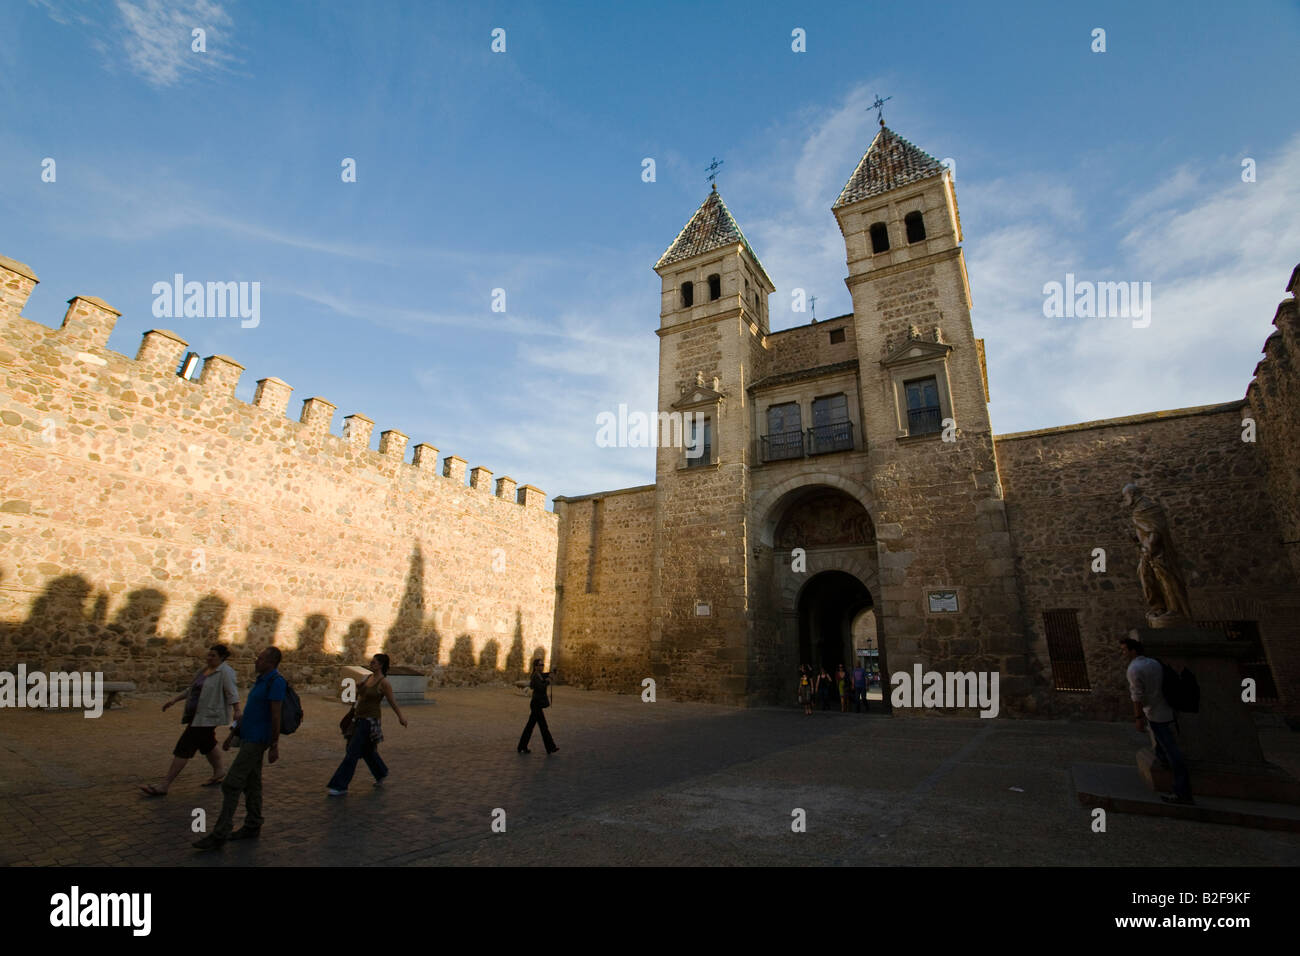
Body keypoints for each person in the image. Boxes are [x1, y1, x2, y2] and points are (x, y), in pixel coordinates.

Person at [193, 646, 285, 849]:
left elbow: (276, 716)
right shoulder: (261, 680)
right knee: (252, 784)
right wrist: (233, 734)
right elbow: (249, 713)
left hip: (258, 741)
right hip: (247, 737)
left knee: (231, 784)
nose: (255, 661)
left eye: (259, 658)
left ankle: (220, 833)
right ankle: (253, 824)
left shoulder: (276, 682)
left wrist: (274, 745)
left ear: (270, 662)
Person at [141, 644, 241, 795]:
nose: (209, 657)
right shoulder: (205, 670)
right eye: (209, 654)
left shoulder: (226, 672)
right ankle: (219, 771)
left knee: (184, 746)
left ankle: (165, 785)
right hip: (197, 714)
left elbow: (232, 693)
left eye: (213, 655)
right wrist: (174, 700)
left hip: (208, 716)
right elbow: (192, 689)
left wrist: (237, 710)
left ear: (221, 657)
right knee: (207, 743)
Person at [1120, 637, 1193, 805]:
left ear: (1133, 651)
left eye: (1124, 650)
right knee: (1164, 748)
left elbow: (1136, 697)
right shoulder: (1154, 663)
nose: (1122, 653)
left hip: (1154, 714)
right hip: (1167, 710)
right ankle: (1166, 775)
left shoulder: (1134, 669)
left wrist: (1138, 718)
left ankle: (1182, 791)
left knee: (1172, 752)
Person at [328, 653, 408, 795]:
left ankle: (339, 785)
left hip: (369, 721)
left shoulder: (384, 683)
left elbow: (392, 701)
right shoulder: (367, 678)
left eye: (374, 662)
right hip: (359, 718)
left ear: (381, 665)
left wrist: (401, 717)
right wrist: (359, 690)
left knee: (352, 752)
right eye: (371, 662)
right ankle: (381, 772)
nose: (371, 664)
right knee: (366, 750)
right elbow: (360, 697)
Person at [517, 658, 558, 754]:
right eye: (540, 665)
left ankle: (522, 746)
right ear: (535, 667)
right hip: (536, 704)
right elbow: (540, 687)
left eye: (543, 665)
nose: (542, 666)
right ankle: (550, 747)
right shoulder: (535, 676)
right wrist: (547, 681)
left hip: (537, 704)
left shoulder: (539, 675)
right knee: (543, 727)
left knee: (531, 726)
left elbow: (545, 675)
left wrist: (551, 672)